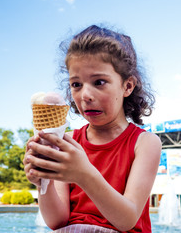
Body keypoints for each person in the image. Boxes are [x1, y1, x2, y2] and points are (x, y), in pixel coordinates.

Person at [23, 25, 162, 233]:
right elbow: (56, 222)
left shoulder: (145, 143)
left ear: (127, 86)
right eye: (76, 84)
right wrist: (44, 184)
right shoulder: (68, 141)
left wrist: (84, 174)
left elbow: (127, 219)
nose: (84, 95)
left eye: (99, 82)